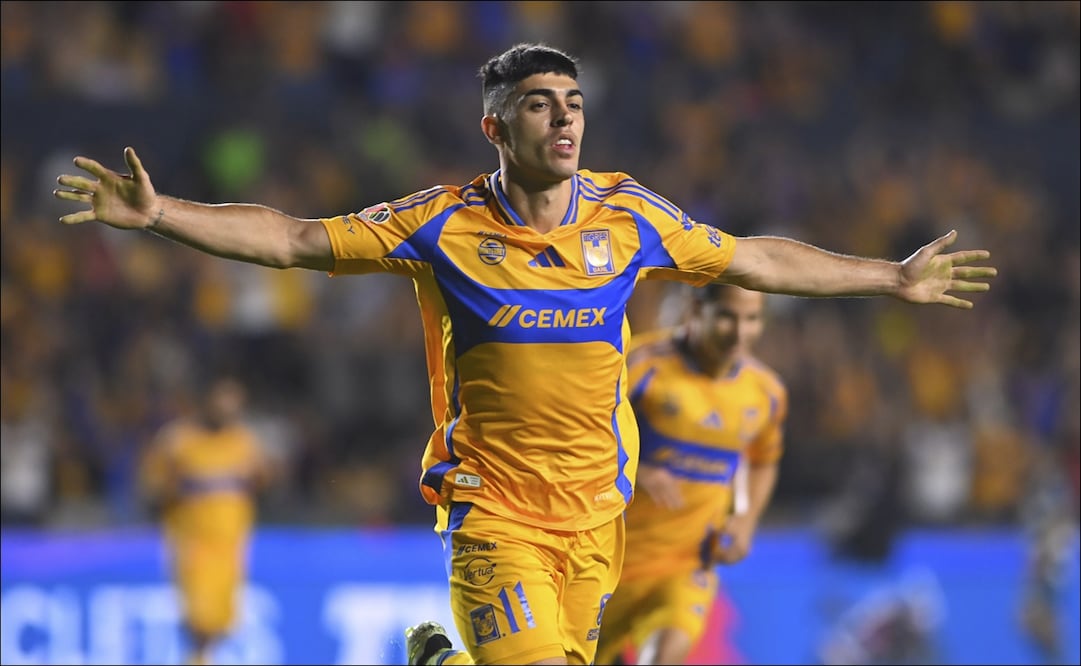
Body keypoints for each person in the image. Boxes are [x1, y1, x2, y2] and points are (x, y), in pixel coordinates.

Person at [54, 42, 995, 666]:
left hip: (596, 519)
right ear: (495, 127)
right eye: (538, 105)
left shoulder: (630, 219)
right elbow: (296, 239)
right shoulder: (441, 226)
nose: (563, 120)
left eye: (573, 103)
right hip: (495, 514)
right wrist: (160, 215)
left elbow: (751, 257)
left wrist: (891, 277)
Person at [593, 283, 785, 665]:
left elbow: (764, 459)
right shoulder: (640, 364)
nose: (740, 332)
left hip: (685, 565)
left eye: (752, 319)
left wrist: (745, 520)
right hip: (606, 563)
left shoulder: (765, 392)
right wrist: (636, 470)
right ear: (697, 309)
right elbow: (583, 432)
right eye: (728, 316)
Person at [138, 374, 274, 666]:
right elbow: (151, 486)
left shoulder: (243, 442)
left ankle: (200, 658)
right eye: (223, 400)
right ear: (207, 401)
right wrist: (171, 488)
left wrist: (260, 477)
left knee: (223, 621)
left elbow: (263, 481)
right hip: (193, 544)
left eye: (235, 402)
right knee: (199, 617)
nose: (229, 408)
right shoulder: (179, 441)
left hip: (230, 544)